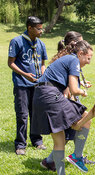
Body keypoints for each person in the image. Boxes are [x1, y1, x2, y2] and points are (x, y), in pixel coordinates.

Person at [31, 40, 93, 175]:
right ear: (80, 54)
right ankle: (77, 156)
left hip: (39, 96)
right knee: (85, 118)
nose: (89, 62)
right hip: (50, 95)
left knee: (59, 139)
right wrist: (82, 92)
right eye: (88, 58)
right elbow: (73, 88)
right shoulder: (73, 59)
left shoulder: (66, 59)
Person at [8, 16, 47, 155]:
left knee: (36, 114)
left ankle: (37, 141)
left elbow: (43, 63)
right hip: (22, 84)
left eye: (42, 28)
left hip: (36, 85)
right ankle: (20, 144)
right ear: (29, 28)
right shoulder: (17, 41)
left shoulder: (41, 44)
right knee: (22, 115)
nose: (41, 31)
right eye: (38, 29)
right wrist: (25, 74)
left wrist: (42, 76)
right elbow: (10, 63)